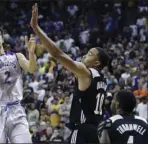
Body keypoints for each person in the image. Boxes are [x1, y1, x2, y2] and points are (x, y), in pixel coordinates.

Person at [30, 3, 109, 144]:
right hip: (96, 132)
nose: (85, 55)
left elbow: (56, 53)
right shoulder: (102, 80)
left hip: (82, 131)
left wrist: (36, 28)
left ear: (96, 63)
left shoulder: (86, 72)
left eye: (90, 54)